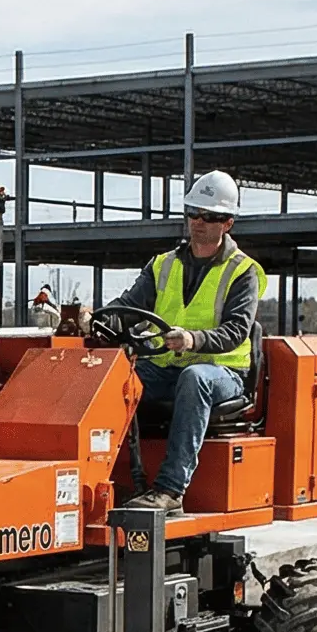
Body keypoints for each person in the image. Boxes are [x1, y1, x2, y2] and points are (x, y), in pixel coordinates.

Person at [112, 169, 265, 511]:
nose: (199, 222)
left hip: (222, 374)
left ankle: (170, 489)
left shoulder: (243, 272)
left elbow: (236, 331)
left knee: (194, 379)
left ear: (228, 223)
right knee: (113, 380)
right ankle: (115, 478)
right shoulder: (163, 265)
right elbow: (128, 307)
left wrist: (192, 340)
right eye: (193, 213)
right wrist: (98, 317)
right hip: (168, 367)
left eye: (209, 217)